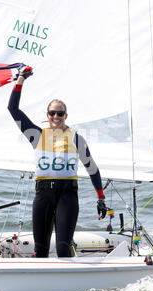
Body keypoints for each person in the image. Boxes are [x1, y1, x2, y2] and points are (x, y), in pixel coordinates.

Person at [7, 69, 108, 258]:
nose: (56, 116)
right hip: (43, 194)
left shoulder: (76, 138)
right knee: (41, 250)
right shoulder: (36, 135)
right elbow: (13, 109)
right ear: (47, 114)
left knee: (63, 247)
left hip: (67, 194)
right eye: (52, 113)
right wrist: (21, 79)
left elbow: (92, 169)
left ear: (66, 116)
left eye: (60, 113)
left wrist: (101, 198)